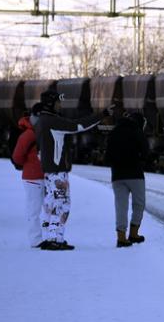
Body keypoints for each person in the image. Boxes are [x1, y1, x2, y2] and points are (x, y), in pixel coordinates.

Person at [33, 99, 111, 251]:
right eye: (57, 103)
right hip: (58, 172)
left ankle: (50, 237)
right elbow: (78, 126)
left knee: (50, 204)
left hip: (49, 171)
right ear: (50, 104)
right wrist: (102, 115)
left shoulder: (40, 122)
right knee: (62, 205)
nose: (59, 106)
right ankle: (55, 239)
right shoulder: (52, 121)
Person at [106, 111, 149, 248]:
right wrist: (140, 161)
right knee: (139, 204)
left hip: (117, 176)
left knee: (121, 206)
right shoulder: (137, 131)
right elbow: (146, 152)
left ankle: (121, 237)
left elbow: (107, 156)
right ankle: (134, 233)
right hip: (135, 175)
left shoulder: (113, 132)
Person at [11, 104, 44, 248]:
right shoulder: (29, 135)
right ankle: (35, 240)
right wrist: (31, 163)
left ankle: (45, 237)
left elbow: (18, 158)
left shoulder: (34, 133)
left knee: (41, 209)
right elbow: (17, 156)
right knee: (34, 209)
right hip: (33, 178)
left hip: (39, 176)